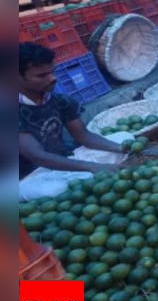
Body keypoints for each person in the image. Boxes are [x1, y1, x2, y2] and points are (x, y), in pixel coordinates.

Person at [18, 43, 132, 201]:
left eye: (52, 72)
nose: (53, 78)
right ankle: (82, 176)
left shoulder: (58, 100)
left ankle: (82, 176)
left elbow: (83, 136)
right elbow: (37, 156)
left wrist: (121, 148)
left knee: (123, 137)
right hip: (28, 176)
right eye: (42, 75)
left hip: (63, 161)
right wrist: (92, 166)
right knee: (56, 189)